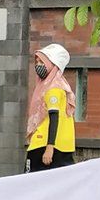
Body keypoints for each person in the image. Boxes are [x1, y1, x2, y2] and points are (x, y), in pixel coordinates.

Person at [26, 42, 77, 172]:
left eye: (42, 62)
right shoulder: (62, 87)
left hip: (44, 145)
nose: (38, 65)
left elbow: (54, 117)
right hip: (63, 145)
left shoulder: (52, 89)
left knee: (31, 184)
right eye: (36, 62)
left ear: (52, 65)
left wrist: (50, 146)